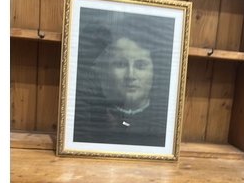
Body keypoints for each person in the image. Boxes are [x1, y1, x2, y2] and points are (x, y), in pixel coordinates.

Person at [73, 11, 175, 147]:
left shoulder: (166, 120)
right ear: (107, 69)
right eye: (121, 64)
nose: (130, 75)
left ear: (154, 71)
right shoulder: (93, 116)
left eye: (140, 65)